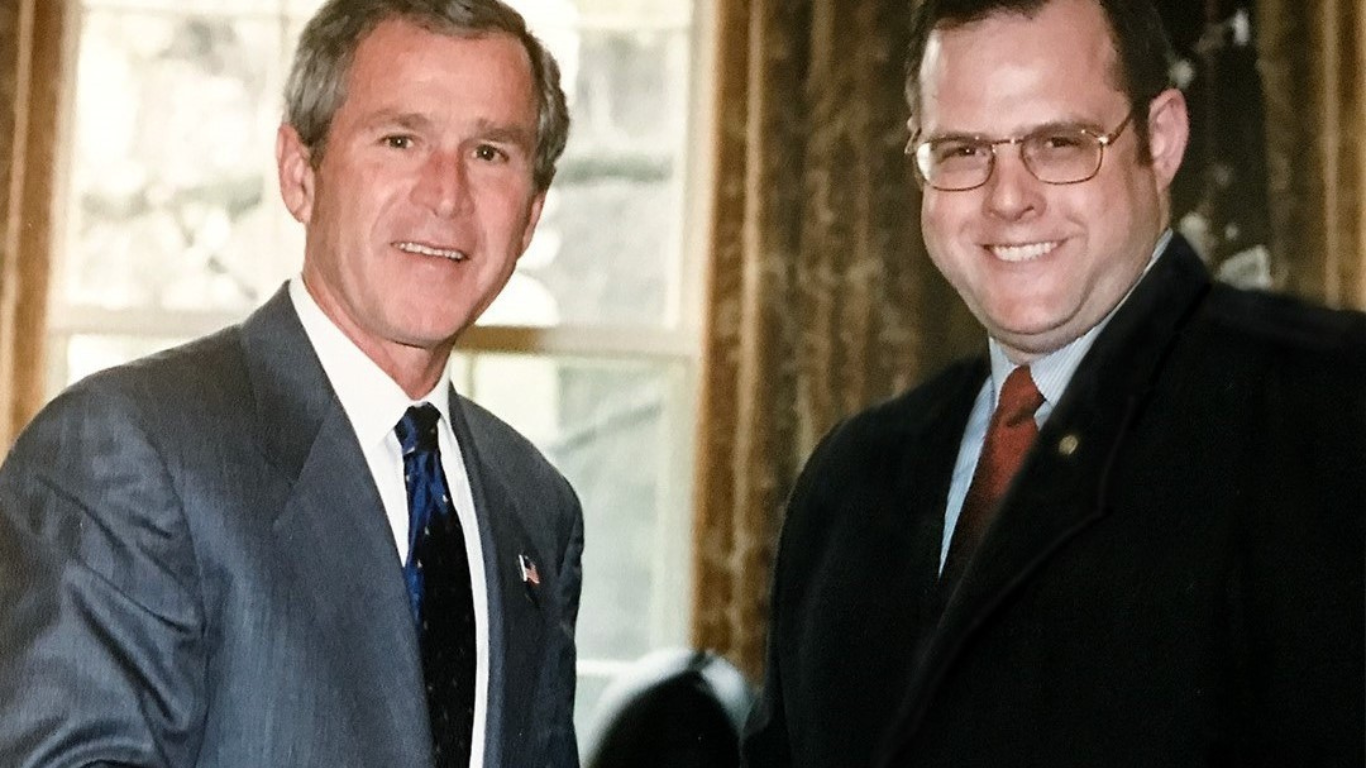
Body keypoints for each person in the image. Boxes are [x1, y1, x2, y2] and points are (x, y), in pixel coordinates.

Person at [741, 0, 1365, 765]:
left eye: (1060, 143)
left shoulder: (1324, 424)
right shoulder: (849, 481)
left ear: (1161, 140)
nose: (1008, 199)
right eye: (964, 150)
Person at [0, 0, 583, 766]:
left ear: (531, 215)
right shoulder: (128, 452)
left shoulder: (535, 505)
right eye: (401, 139)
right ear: (299, 174)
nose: (445, 195)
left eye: (490, 153)